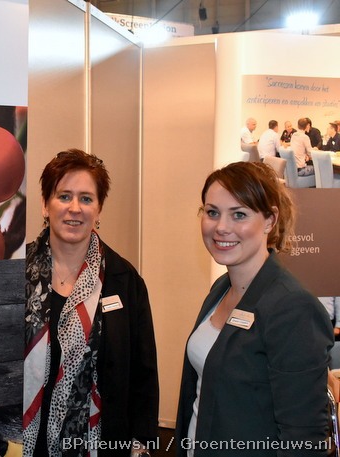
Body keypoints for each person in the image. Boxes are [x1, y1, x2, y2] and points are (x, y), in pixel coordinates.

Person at [175, 161, 333, 457]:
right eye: (212, 212)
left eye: (239, 214)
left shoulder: (293, 307)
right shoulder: (221, 288)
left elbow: (303, 438)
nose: (221, 227)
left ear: (270, 220)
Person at [24, 149, 159, 456]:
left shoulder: (125, 280)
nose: (75, 208)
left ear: (99, 209)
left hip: (97, 444)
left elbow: (144, 374)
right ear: (45, 204)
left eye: (86, 198)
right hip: (20, 443)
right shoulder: (14, 273)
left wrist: (142, 444)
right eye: (64, 196)